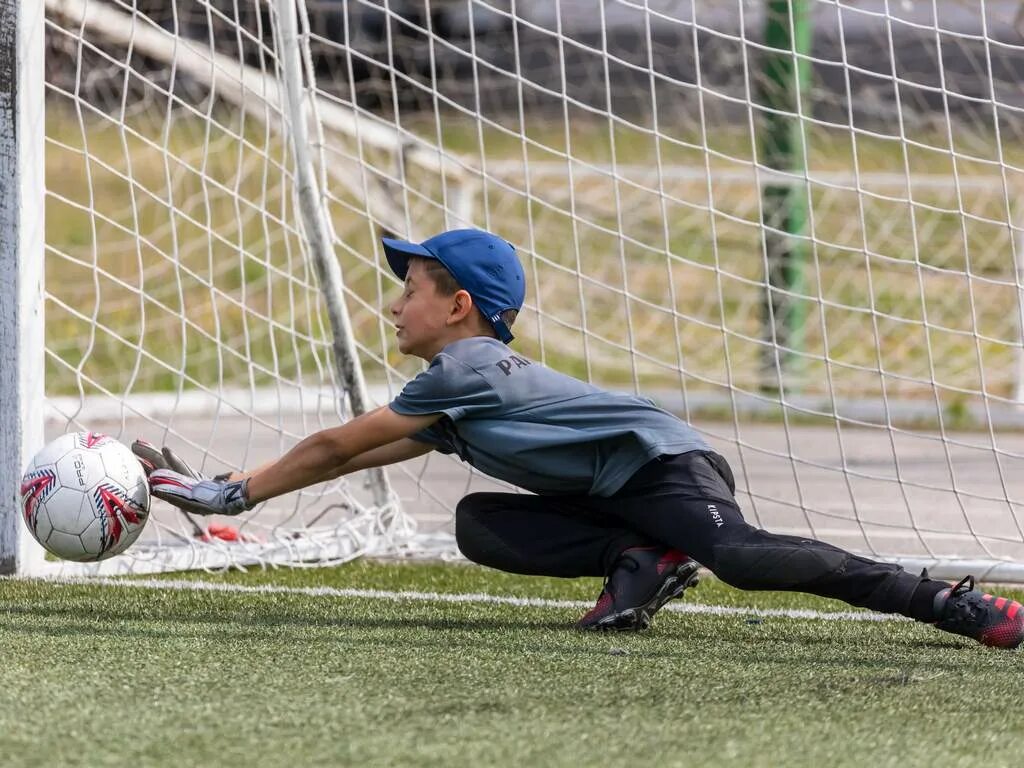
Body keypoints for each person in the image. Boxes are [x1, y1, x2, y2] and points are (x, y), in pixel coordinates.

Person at [134, 228, 1024, 649]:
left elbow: (335, 445)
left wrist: (235, 493)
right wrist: (223, 484)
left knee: (746, 558)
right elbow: (368, 453)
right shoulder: (455, 397)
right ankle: (643, 556)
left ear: (459, 307)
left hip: (662, 464)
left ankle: (945, 602)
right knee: (481, 525)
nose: (394, 304)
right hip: (614, 497)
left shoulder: (465, 367)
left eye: (409, 288)